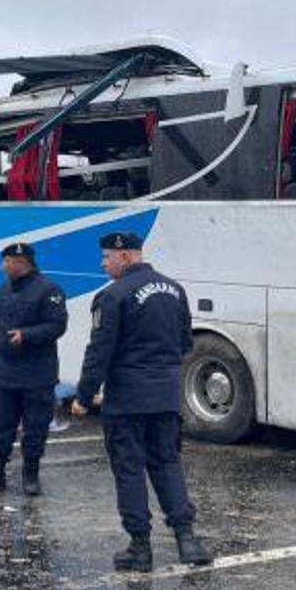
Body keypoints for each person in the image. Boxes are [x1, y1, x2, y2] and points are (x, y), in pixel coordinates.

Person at [71, 231, 213, 572]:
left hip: (128, 400)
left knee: (129, 470)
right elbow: (184, 344)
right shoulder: (174, 289)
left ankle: (140, 547)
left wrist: (84, 394)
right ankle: (187, 540)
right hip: (166, 397)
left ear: (125, 256)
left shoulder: (113, 295)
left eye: (106, 257)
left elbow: (99, 352)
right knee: (167, 463)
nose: (103, 263)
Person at [0, 242, 68, 497]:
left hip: (37, 373)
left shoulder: (49, 290)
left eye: (6, 262)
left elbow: (57, 326)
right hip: (6, 373)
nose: (2, 266)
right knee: (2, 427)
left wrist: (27, 335)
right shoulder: (3, 289)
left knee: (35, 428)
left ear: (21, 263)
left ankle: (30, 476)